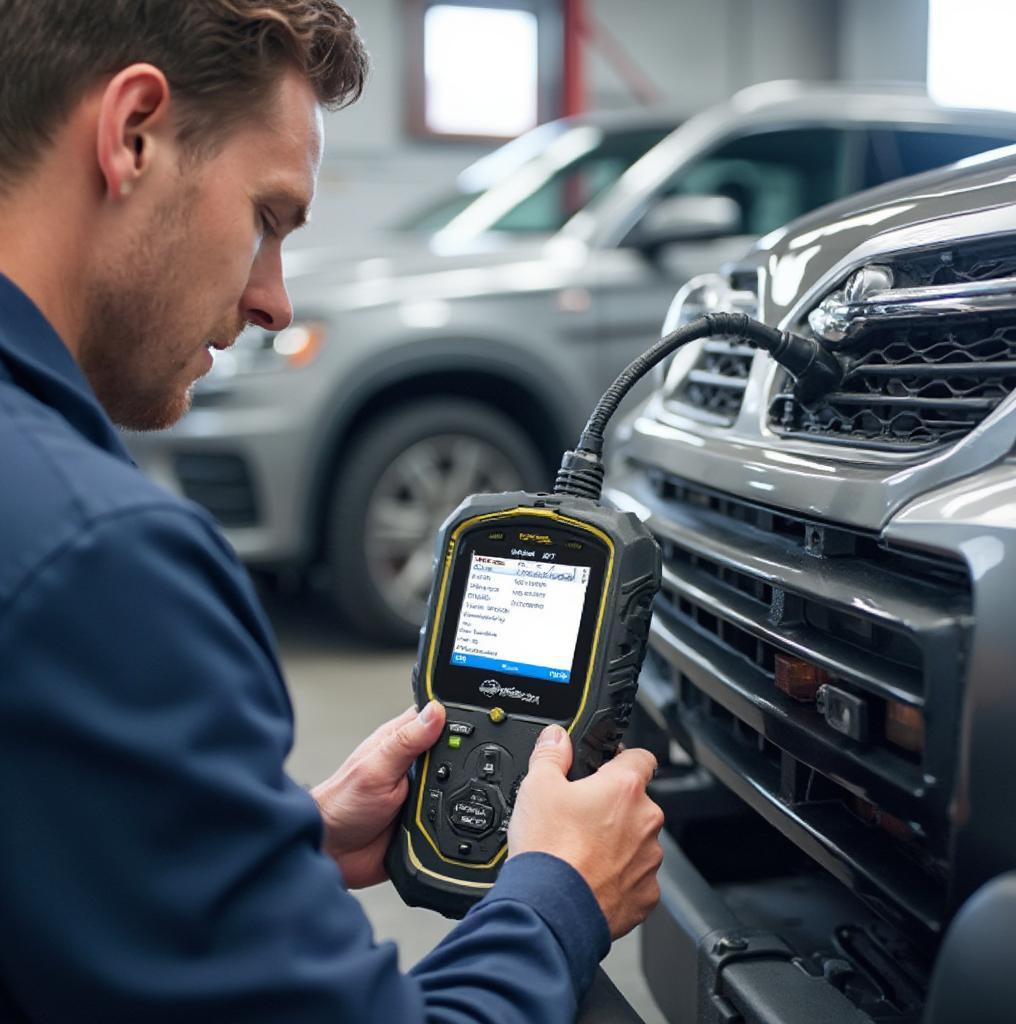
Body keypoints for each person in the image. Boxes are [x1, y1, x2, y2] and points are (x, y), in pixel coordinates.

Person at [0, 2, 665, 1021]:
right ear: (132, 134)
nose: (273, 300)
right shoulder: (99, 562)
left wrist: (253, 843)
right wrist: (560, 895)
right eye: (267, 218)